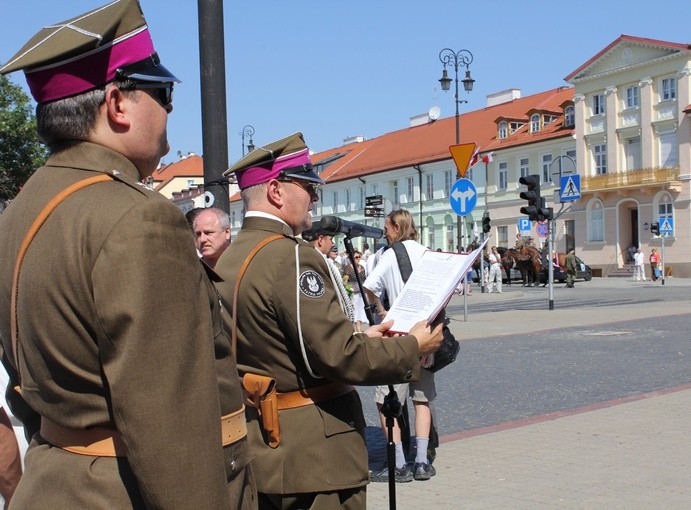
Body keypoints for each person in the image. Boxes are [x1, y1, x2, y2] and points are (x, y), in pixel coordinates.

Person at [0, 1, 254, 507]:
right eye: (161, 92)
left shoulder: (19, 213)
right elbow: (171, 425)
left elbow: (23, 383)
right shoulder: (137, 216)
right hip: (122, 492)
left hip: (52, 481)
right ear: (117, 105)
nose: (169, 109)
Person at [214, 132, 443, 509]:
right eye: (307, 186)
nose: (316, 197)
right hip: (314, 456)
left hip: (265, 447)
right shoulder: (291, 257)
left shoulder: (232, 255)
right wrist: (412, 346)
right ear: (276, 191)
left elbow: (285, 343)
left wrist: (361, 333)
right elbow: (338, 357)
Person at [364, 209, 438, 483]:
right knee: (422, 399)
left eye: (387, 227)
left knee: (386, 400)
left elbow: (369, 286)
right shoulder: (427, 253)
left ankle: (399, 465)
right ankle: (421, 462)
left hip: (399, 335)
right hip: (427, 334)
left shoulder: (391, 254)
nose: (385, 232)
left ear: (397, 227)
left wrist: (381, 313)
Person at [344, 251, 369, 332]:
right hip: (353, 292)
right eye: (356, 257)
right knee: (354, 311)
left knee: (361, 311)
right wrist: (348, 291)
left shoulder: (362, 267)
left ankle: (359, 330)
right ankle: (353, 330)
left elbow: (364, 280)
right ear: (351, 258)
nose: (358, 259)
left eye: (359, 257)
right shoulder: (348, 268)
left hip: (362, 292)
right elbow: (345, 281)